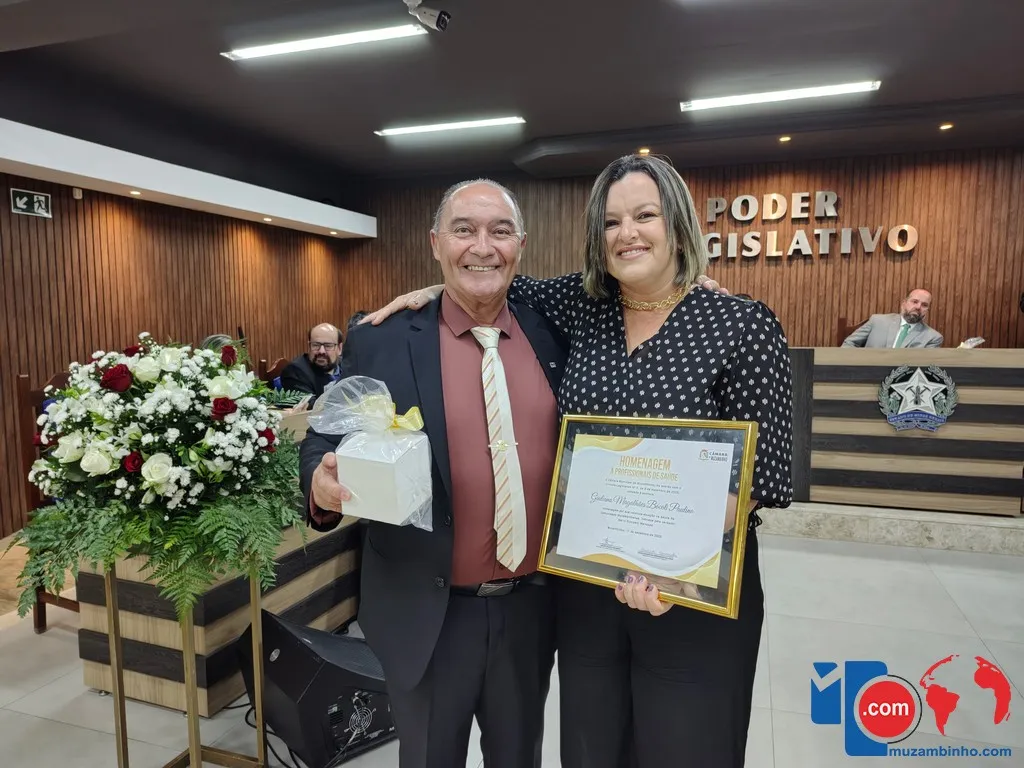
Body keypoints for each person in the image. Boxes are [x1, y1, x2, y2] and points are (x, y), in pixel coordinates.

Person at [366, 154, 793, 768]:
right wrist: (431, 290)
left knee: (686, 749)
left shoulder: (740, 324)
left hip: (690, 595)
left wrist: (669, 567)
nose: (627, 234)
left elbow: (761, 475)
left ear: (678, 225)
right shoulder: (581, 307)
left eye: (645, 216)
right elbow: (487, 279)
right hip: (589, 597)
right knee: (593, 749)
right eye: (611, 222)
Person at [301, 180, 567, 768]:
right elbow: (326, 432)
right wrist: (319, 481)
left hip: (532, 608)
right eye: (463, 230)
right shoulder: (382, 339)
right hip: (425, 612)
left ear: (520, 246)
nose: (483, 246)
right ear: (436, 244)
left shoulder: (553, 333)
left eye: (500, 231)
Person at [842, 289, 943, 348]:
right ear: (904, 303)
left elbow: (925, 367)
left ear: (927, 310)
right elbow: (849, 343)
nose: (918, 307)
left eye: (924, 305)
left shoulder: (933, 338)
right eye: (914, 302)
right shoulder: (877, 321)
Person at [281, 323, 343, 397]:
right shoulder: (295, 371)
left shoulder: (347, 365)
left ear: (339, 348)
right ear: (309, 346)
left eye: (328, 346)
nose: (321, 351)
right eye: (316, 345)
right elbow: (311, 402)